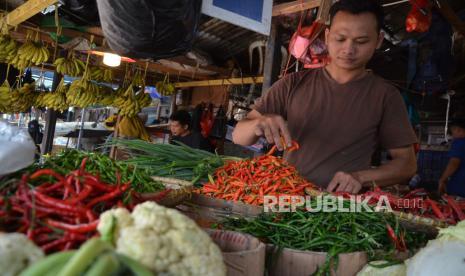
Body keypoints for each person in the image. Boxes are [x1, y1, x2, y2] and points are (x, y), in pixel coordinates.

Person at [232, 0, 417, 194]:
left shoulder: (386, 96)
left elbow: (407, 164)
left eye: (361, 41)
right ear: (327, 36)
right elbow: (238, 136)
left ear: (378, 40)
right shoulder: (292, 84)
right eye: (340, 39)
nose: (349, 49)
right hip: (286, 197)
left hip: (340, 209)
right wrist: (258, 123)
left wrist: (361, 178)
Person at [439, 119, 465, 197]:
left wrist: (442, 179)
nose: (452, 135)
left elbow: (454, 163)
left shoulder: (459, 143)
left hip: (460, 186)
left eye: (452, 132)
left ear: (458, 130)